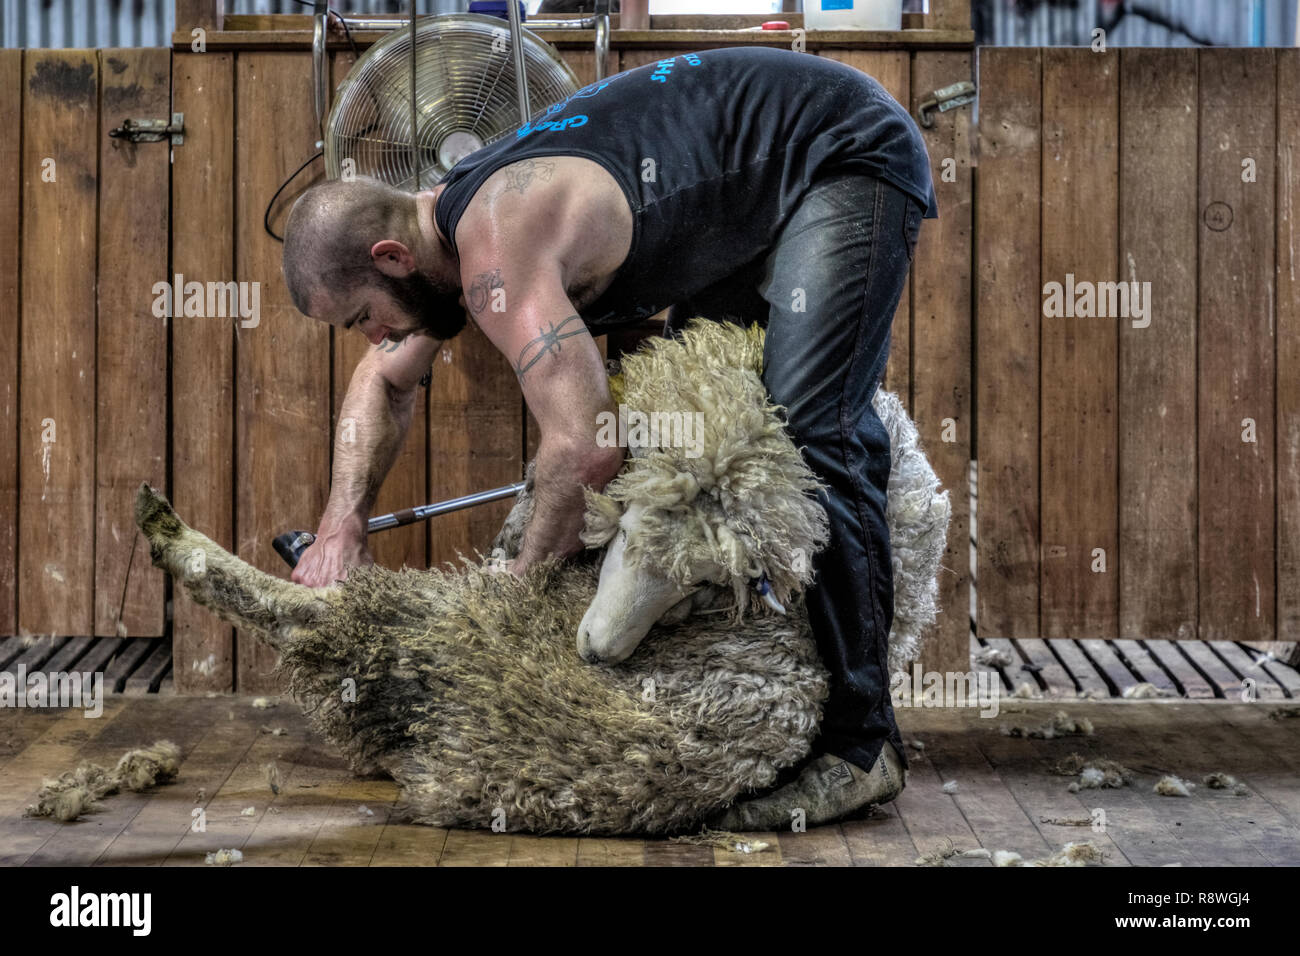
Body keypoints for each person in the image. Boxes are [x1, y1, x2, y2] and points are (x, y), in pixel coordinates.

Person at [281, 46, 936, 828]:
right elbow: (383, 381)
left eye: (364, 317)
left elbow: (587, 446)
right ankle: (758, 720)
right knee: (697, 430)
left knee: (814, 431)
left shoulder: (495, 248)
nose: (375, 337)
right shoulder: (445, 237)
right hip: (745, 192)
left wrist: (511, 601)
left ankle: (865, 747)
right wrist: (339, 526)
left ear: (391, 258)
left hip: (837, 146)